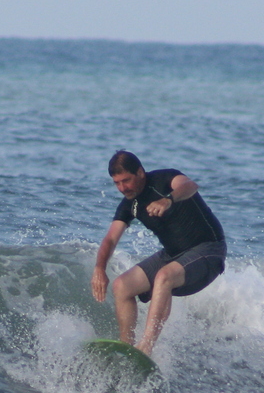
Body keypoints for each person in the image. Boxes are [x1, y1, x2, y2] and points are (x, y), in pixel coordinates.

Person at [91, 150, 228, 354]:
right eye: (117, 183)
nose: (122, 188)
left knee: (163, 276)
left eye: (126, 180)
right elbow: (111, 238)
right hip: (173, 255)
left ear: (140, 172)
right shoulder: (129, 205)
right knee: (122, 286)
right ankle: (126, 348)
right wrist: (99, 268)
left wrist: (168, 200)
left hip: (209, 250)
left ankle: (146, 347)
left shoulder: (164, 179)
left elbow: (190, 185)